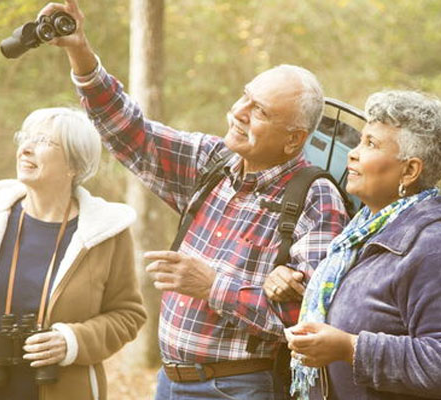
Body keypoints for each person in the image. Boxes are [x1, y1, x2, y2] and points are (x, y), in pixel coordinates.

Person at [38, 1, 349, 399]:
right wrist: (79, 52)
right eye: (245, 97)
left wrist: (213, 286)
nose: (239, 112)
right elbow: (130, 131)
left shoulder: (315, 197)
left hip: (241, 387)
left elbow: (309, 320)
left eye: (260, 111)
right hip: (170, 382)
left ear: (294, 139)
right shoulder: (212, 160)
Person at [278, 90, 441, 400]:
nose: (353, 152)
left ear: (410, 170)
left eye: (371, 144)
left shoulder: (438, 251)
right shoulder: (357, 237)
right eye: (361, 140)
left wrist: (350, 348)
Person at [0, 107, 147, 400]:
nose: (25, 148)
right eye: (24, 138)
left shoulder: (105, 233)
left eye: (43, 141)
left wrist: (72, 341)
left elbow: (128, 314)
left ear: (74, 165)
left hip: (65, 389)